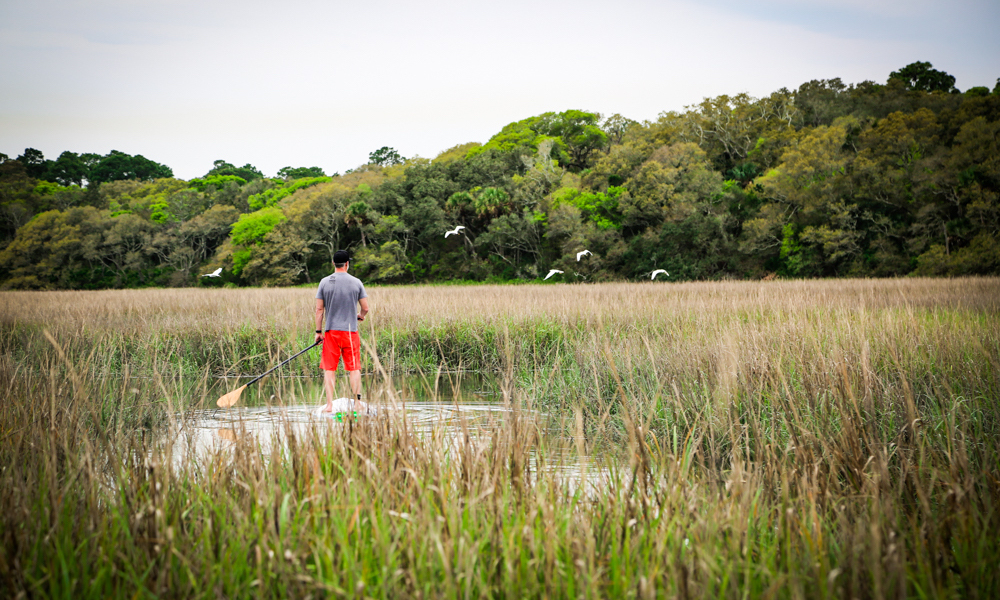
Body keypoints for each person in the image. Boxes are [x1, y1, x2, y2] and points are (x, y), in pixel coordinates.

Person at [314, 249, 369, 412]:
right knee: (354, 368)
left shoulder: (324, 282)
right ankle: (357, 403)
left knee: (329, 369)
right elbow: (365, 308)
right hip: (351, 333)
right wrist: (360, 315)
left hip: (331, 333)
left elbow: (319, 310)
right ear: (347, 264)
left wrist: (318, 332)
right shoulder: (357, 282)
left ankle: (329, 405)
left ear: (333, 263)